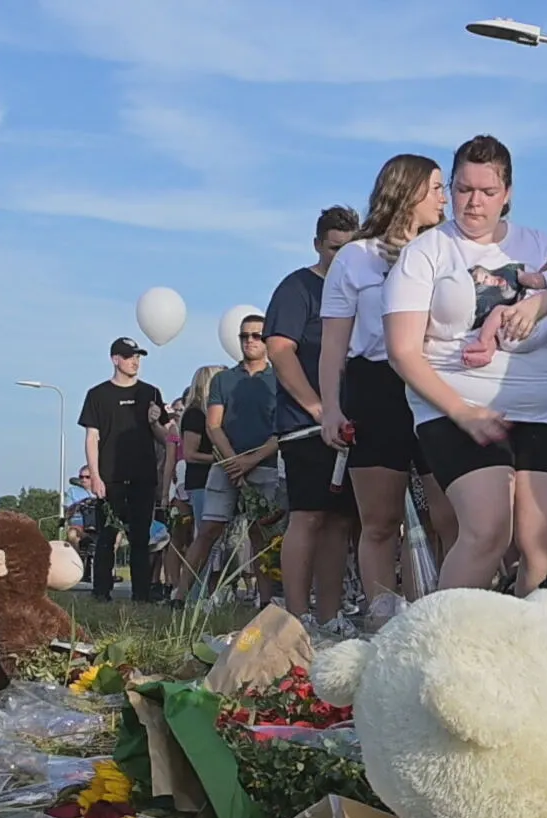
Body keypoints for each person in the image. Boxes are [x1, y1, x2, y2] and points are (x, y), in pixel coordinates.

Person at [382, 135, 547, 595]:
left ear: (507, 193)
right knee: (487, 530)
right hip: (459, 403)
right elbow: (402, 350)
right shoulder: (426, 252)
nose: (473, 203)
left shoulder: (543, 246)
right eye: (463, 190)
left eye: (487, 192)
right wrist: (462, 411)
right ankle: (439, 648)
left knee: (542, 546)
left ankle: (521, 653)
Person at [317, 155, 455, 610]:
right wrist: (331, 409)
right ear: (407, 191)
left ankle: (446, 613)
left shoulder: (449, 249)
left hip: (436, 380)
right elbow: (334, 345)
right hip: (375, 386)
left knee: (450, 514)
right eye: (436, 187)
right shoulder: (356, 257)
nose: (445, 197)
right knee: (379, 521)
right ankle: (383, 621)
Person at [266, 206, 360, 631]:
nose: (341, 258)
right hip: (306, 424)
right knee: (308, 514)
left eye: (349, 249)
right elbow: (281, 351)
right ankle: (296, 614)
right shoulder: (297, 287)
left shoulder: (359, 289)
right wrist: (317, 407)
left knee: (340, 519)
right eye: (334, 249)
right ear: (318, 244)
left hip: (351, 422)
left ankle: (329, 614)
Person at [181, 314, 283, 608]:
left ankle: (266, 602)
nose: (249, 341)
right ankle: (181, 594)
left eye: (256, 335)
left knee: (261, 534)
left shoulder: (279, 378)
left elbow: (282, 431)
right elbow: (214, 426)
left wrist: (250, 461)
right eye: (244, 336)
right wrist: (234, 462)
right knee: (209, 530)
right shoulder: (223, 379)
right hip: (227, 466)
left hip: (264, 465)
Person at [78, 337, 167, 602]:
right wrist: (95, 475)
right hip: (111, 476)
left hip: (143, 475)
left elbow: (164, 437)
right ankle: (100, 592)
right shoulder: (98, 395)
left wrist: (155, 423)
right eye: (130, 357)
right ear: (115, 359)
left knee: (140, 538)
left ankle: (141, 595)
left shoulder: (150, 393)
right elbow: (92, 437)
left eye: (138, 356)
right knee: (107, 535)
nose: (135, 361)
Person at [173, 364, 224, 599]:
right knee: (204, 536)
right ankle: (193, 594)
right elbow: (190, 453)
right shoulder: (195, 415)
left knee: (210, 539)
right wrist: (219, 457)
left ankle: (203, 592)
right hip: (202, 480)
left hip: (209, 479)